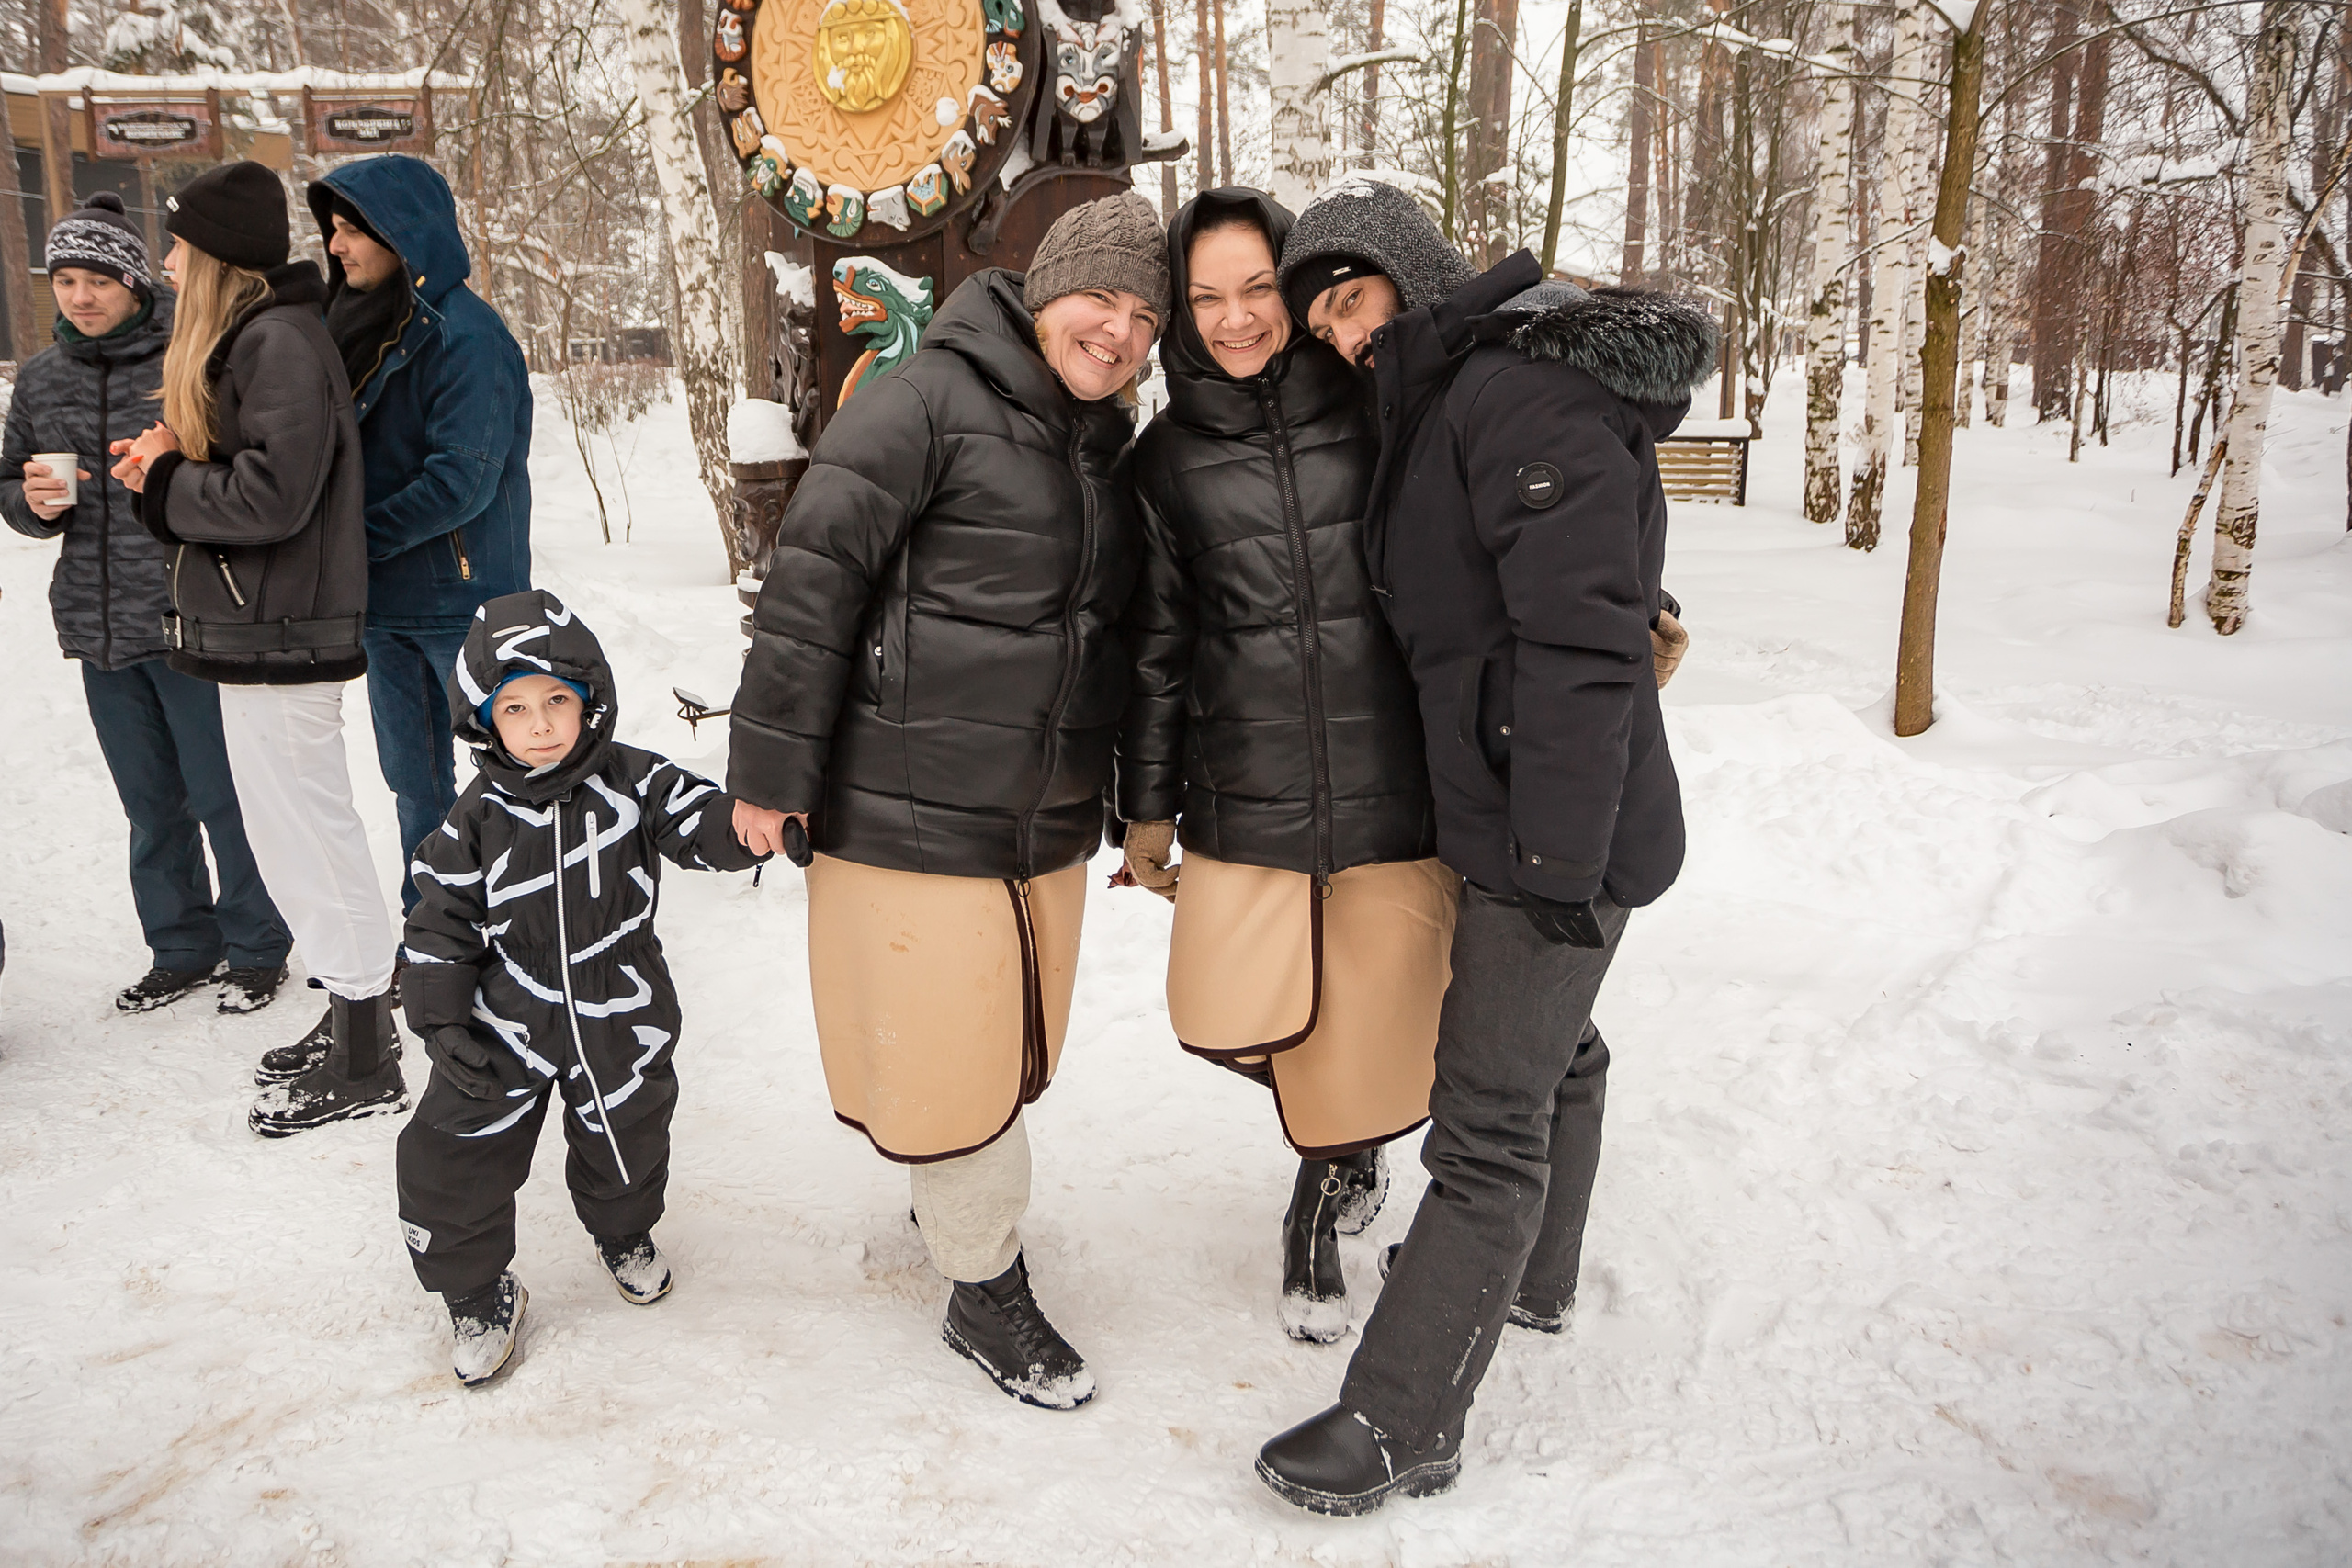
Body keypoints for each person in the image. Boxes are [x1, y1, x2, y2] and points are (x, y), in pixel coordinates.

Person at [1253, 176, 1714, 1514]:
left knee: (1489, 1121)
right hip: (1518, 807)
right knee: (1556, 1043)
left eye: (1347, 297)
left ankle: (1401, 1421)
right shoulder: (1450, 399)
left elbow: (1579, 649)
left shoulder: (1515, 391)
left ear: (1406, 266)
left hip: (1552, 828)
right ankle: (1539, 1278)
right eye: (1317, 321)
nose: (1337, 334)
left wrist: (1556, 870)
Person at [727, 192, 1165, 1411]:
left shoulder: (1100, 444)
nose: (1120, 331)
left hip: (1035, 817)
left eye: (1145, 317)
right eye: (1101, 300)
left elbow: (1113, 643)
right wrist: (769, 768)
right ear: (1043, 288)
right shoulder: (927, 400)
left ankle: (950, 1205)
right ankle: (984, 1282)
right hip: (912, 801)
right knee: (958, 1050)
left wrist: (1133, 798)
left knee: (994, 1045)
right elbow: (814, 578)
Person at [1114, 187, 1452, 1344]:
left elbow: (1488, 532)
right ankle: (1346, 1132)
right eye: (1205, 296)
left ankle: (1320, 1195)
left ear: (1295, 289)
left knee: (1365, 1015)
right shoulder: (1163, 461)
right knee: (1218, 1017)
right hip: (1244, 789)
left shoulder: (1375, 400)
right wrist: (1145, 811)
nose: (1237, 317)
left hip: (1390, 782)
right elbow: (1158, 650)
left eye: (1257, 286)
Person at [394, 589, 768, 1386]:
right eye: (516, 706)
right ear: (484, 719)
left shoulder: (630, 780)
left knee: (629, 1130)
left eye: (558, 699)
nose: (539, 724)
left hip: (617, 995)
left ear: (588, 698)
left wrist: (751, 828)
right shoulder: (475, 819)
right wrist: (441, 1017)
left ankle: (625, 1231)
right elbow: (437, 920)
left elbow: (700, 818)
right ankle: (474, 1290)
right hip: (509, 1008)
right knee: (452, 1150)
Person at [110, 159, 403, 1135]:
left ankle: (367, 1053)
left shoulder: (276, 340)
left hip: (281, 629)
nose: (164, 259)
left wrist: (162, 486)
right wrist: (173, 459)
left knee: (313, 839)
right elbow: (254, 473)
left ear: (217, 258)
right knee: (292, 840)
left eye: (179, 243)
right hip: (257, 627)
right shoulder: (260, 337)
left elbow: (274, 498)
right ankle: (352, 1018)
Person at [2, 191, 291, 1014]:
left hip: (190, 614)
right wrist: (32, 504)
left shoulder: (190, 356)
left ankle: (256, 945)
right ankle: (181, 947)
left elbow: (241, 472)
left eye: (97, 278)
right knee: (149, 803)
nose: (80, 296)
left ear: (134, 281)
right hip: (98, 627)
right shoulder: (44, 376)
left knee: (220, 791)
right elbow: (12, 480)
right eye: (64, 280)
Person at [306, 154, 532, 917]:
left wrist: (350, 541)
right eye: (331, 230)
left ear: (404, 235)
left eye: (352, 231)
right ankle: (434, 920)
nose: (336, 247)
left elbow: (460, 482)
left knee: (506, 774)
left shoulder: (468, 337)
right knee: (414, 781)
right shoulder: (359, 329)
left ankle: (519, 921)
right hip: (389, 605)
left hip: (466, 600)